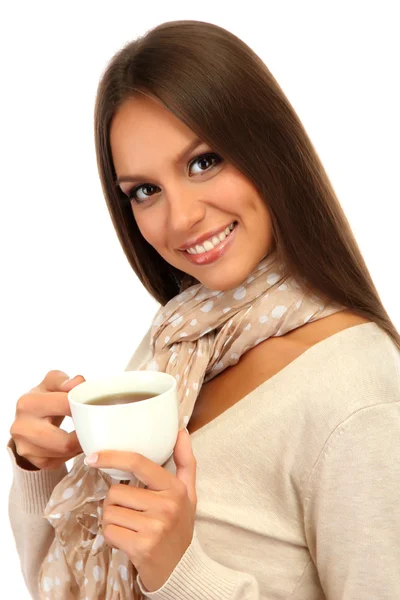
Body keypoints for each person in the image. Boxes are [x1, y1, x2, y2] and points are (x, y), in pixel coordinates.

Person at [7, 18, 400, 600]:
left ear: (269, 148)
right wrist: (40, 472)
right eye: (145, 190)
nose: (180, 218)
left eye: (203, 161)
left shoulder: (358, 393)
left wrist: (180, 571)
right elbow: (62, 583)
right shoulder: (183, 338)